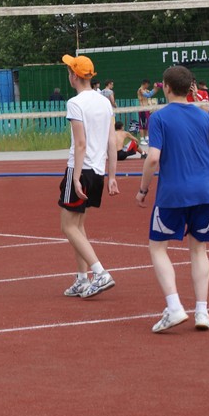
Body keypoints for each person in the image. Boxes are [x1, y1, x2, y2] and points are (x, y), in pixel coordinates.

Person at [136, 65, 209, 333]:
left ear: (166, 87)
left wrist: (143, 189)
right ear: (190, 86)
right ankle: (202, 311)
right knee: (199, 249)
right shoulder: (204, 117)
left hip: (172, 195)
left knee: (157, 247)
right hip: (204, 193)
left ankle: (175, 306)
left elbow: (153, 158)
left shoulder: (160, 118)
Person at [59, 55, 119, 299]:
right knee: (79, 225)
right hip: (98, 171)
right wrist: (112, 175)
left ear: (74, 75)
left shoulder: (75, 103)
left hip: (80, 169)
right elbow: (112, 141)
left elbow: (80, 143)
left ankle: (100, 272)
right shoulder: (105, 102)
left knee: (67, 226)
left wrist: (74, 177)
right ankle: (82, 279)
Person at [136, 80, 161, 145]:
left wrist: (157, 88)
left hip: (146, 109)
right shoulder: (140, 90)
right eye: (147, 85)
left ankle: (147, 138)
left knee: (147, 123)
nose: (148, 86)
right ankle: (142, 139)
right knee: (142, 124)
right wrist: (155, 89)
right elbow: (148, 95)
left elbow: (151, 93)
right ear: (145, 84)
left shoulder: (145, 90)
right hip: (142, 109)